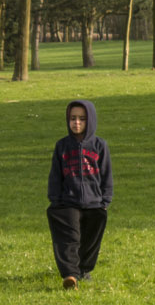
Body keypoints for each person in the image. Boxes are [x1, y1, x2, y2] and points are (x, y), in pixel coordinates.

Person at [48, 99, 112, 289]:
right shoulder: (62, 146)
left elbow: (106, 174)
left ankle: (84, 269)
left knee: (90, 238)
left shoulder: (100, 145)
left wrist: (105, 199)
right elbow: (55, 175)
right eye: (73, 118)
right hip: (67, 202)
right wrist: (55, 199)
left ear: (90, 120)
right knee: (70, 238)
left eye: (82, 119)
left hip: (94, 203)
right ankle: (70, 275)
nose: (77, 123)